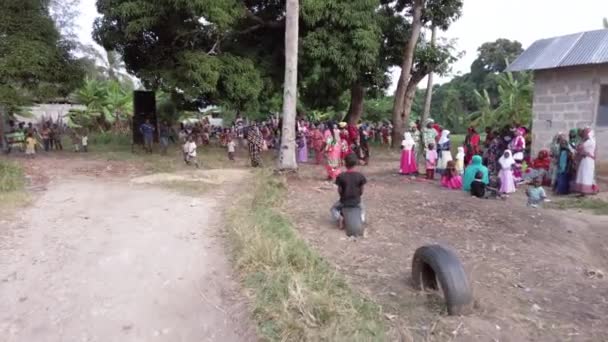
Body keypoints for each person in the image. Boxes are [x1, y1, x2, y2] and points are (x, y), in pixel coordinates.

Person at [330, 153, 367, 229]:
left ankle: (339, 218)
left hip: (344, 201)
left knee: (333, 209)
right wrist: (358, 195)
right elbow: (362, 190)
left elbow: (339, 190)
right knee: (362, 208)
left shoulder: (341, 176)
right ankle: (361, 219)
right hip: (356, 201)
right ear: (356, 163)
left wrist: (343, 196)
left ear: (345, 163)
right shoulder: (360, 176)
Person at [573, 128, 599, 195]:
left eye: (586, 133)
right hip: (586, 160)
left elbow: (579, 147)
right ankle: (583, 191)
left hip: (588, 160)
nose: (584, 134)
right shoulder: (590, 141)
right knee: (584, 174)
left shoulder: (590, 141)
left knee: (586, 174)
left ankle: (586, 191)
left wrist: (582, 142)